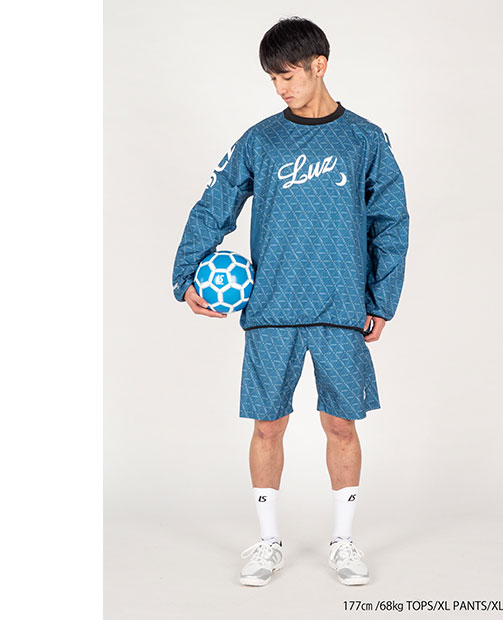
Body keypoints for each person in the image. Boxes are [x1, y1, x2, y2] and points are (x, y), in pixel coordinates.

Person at [172, 16, 409, 586]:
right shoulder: (260, 140)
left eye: (288, 75)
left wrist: (382, 298)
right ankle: (267, 543)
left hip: (340, 307)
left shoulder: (364, 139)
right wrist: (185, 275)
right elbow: (214, 205)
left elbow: (391, 221)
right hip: (272, 307)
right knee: (267, 427)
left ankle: (344, 542)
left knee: (342, 426)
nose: (280, 87)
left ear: (318, 66)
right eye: (272, 78)